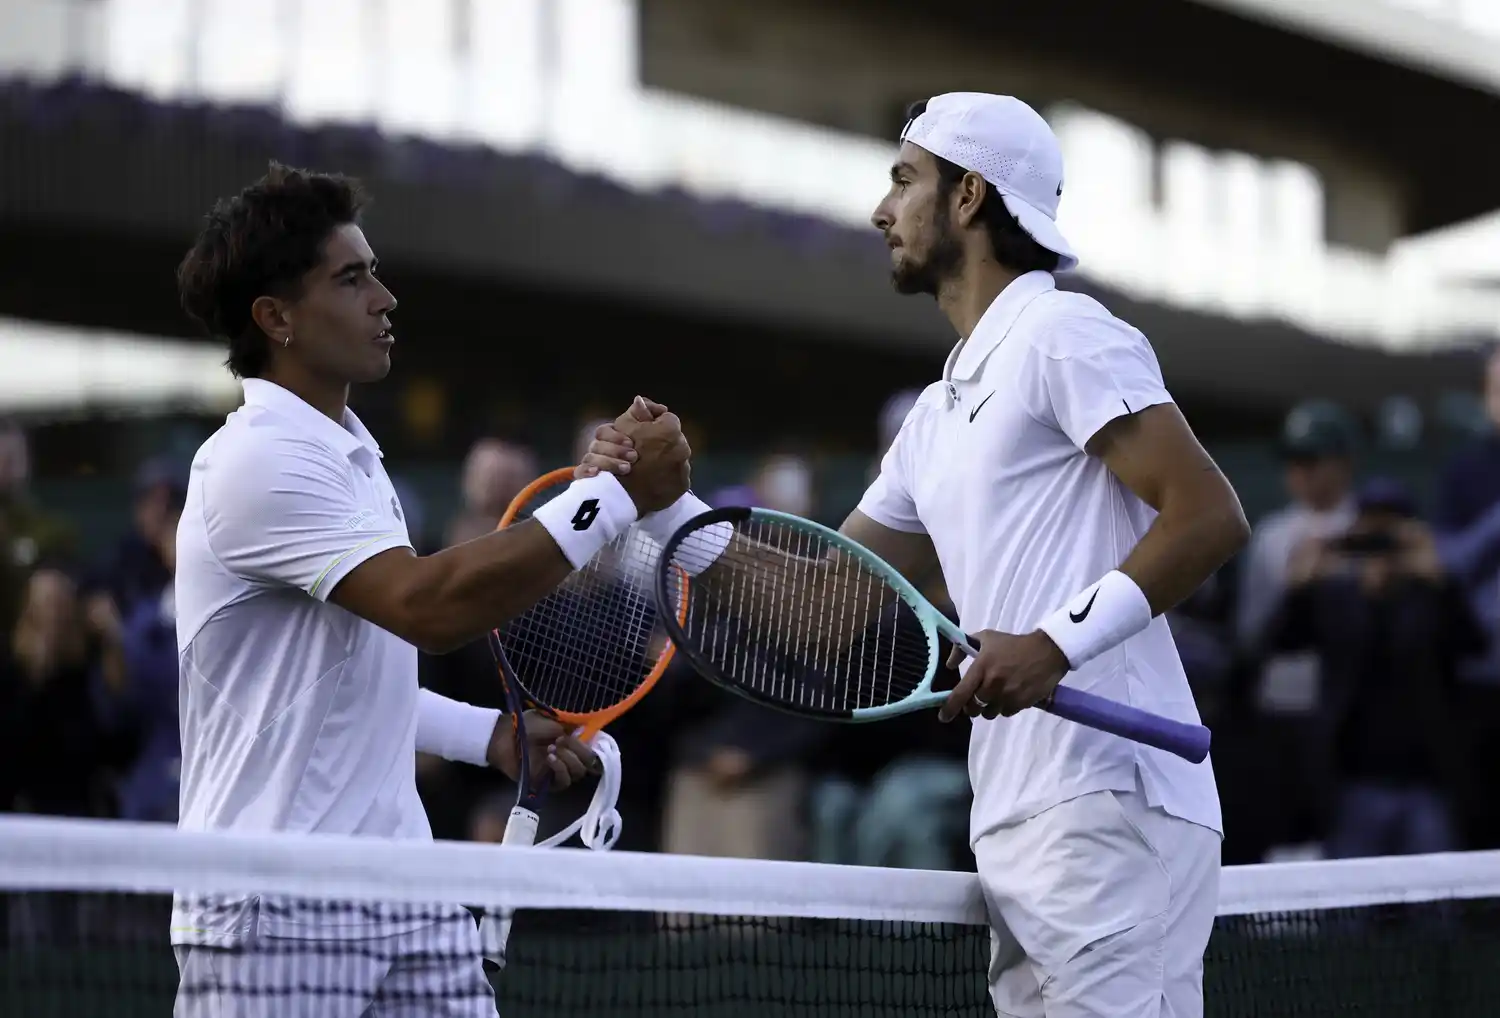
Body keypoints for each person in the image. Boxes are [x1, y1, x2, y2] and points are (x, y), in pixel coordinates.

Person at [585, 94, 1248, 1017]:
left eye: (904, 180)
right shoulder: (935, 416)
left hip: (1108, 801)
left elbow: (1208, 515)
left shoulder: (1064, 334)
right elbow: (823, 612)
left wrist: (1052, 644)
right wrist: (669, 512)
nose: (881, 210)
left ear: (969, 196)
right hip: (1016, 816)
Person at [170, 162, 691, 1018]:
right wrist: (613, 501)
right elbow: (430, 608)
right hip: (276, 906)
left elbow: (344, 685)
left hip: (404, 890)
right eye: (351, 279)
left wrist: (486, 735)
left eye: (373, 272)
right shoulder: (255, 459)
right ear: (276, 318)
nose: (385, 299)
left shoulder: (350, 455)